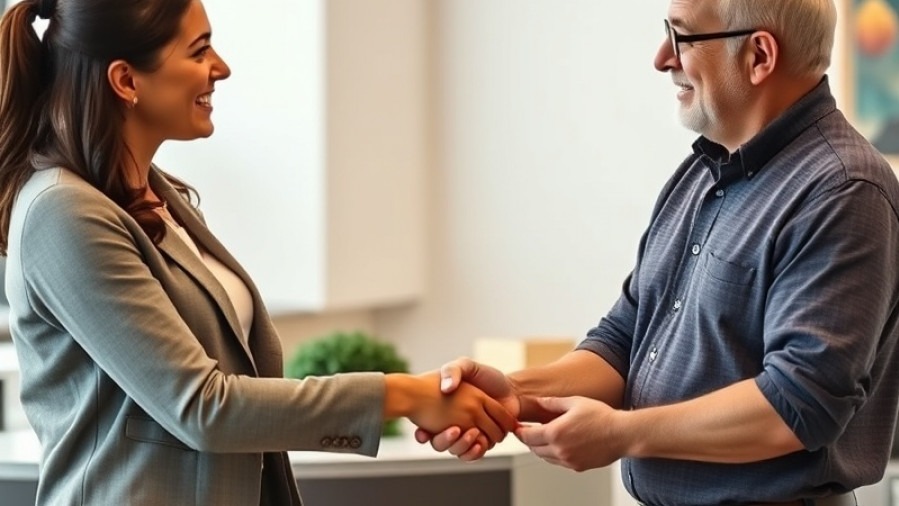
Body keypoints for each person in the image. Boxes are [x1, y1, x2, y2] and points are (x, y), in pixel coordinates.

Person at [0, 1, 516, 505]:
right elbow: (203, 406)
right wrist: (403, 395)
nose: (220, 68)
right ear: (127, 81)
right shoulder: (62, 213)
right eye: (199, 51)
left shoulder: (163, 198)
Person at [417, 0, 899, 504]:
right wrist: (513, 395)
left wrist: (621, 433)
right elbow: (624, 341)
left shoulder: (844, 191)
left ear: (758, 56)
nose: (661, 58)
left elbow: (798, 403)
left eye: (682, 37)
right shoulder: (702, 174)